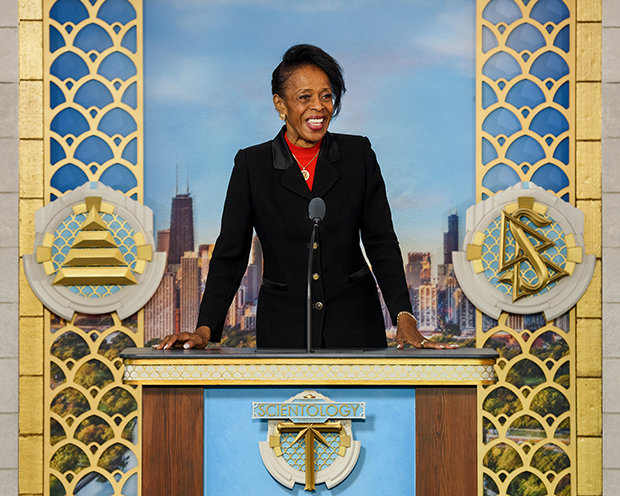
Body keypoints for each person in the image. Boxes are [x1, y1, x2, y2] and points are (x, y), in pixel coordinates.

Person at [155, 44, 455, 351]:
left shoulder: (358, 155)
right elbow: (231, 254)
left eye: (326, 96)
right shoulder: (252, 165)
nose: (319, 107)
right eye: (305, 97)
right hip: (284, 329)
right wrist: (205, 329)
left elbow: (382, 242)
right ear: (280, 103)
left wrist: (404, 316)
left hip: (355, 325)